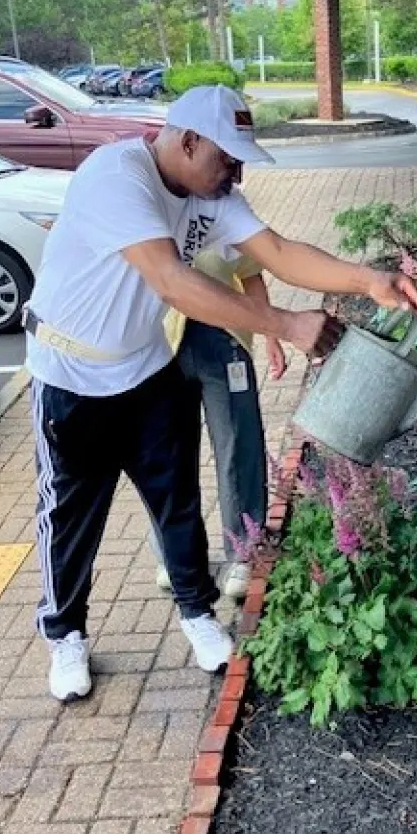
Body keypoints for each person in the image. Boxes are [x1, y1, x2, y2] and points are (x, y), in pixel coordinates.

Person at [22, 84, 417, 701]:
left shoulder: (210, 194)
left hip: (145, 368)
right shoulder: (117, 174)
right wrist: (286, 325)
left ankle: (196, 612)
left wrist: (368, 279)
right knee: (73, 514)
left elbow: (280, 252)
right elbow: (172, 280)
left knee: (177, 500)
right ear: (188, 141)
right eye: (228, 157)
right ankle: (65, 634)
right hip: (70, 374)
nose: (236, 172)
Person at [147, 245, 287, 604]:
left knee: (239, 448)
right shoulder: (147, 206)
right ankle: (174, 557)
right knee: (166, 455)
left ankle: (243, 552)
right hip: (160, 346)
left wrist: (272, 337)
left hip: (225, 342)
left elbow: (252, 276)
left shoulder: (222, 208)